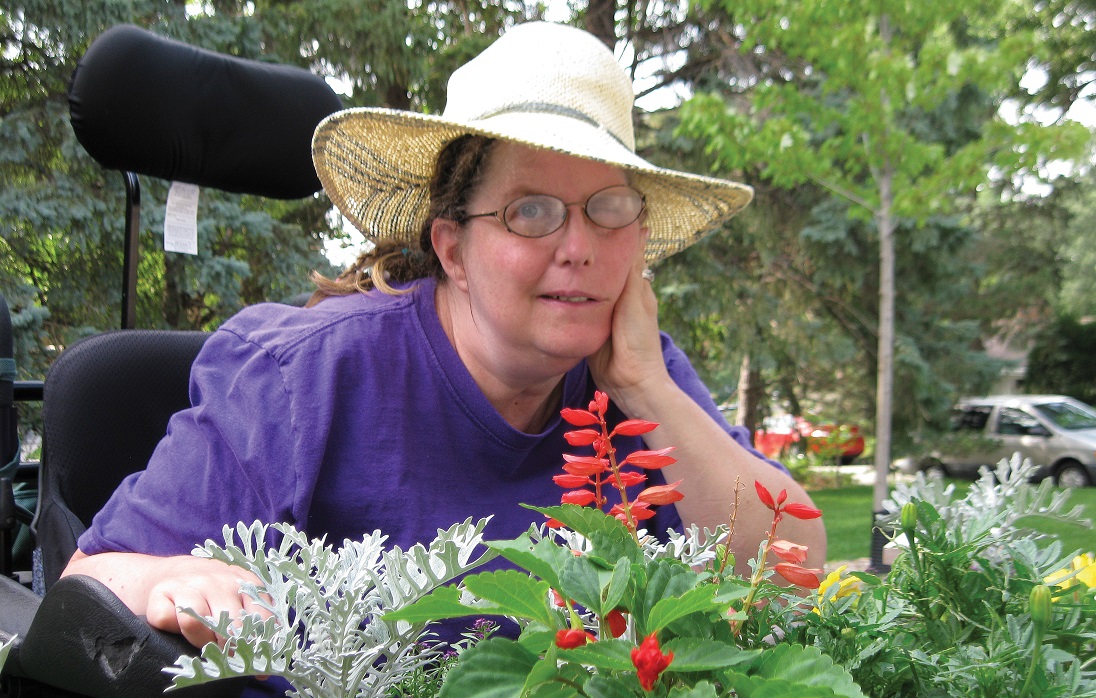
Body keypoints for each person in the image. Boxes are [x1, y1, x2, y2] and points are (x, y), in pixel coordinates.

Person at [62, 20, 825, 658]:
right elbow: (87, 580)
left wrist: (646, 388)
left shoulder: (639, 380)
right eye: (532, 211)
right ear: (453, 249)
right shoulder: (300, 378)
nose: (579, 247)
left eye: (609, 207)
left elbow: (797, 572)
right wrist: (167, 583)